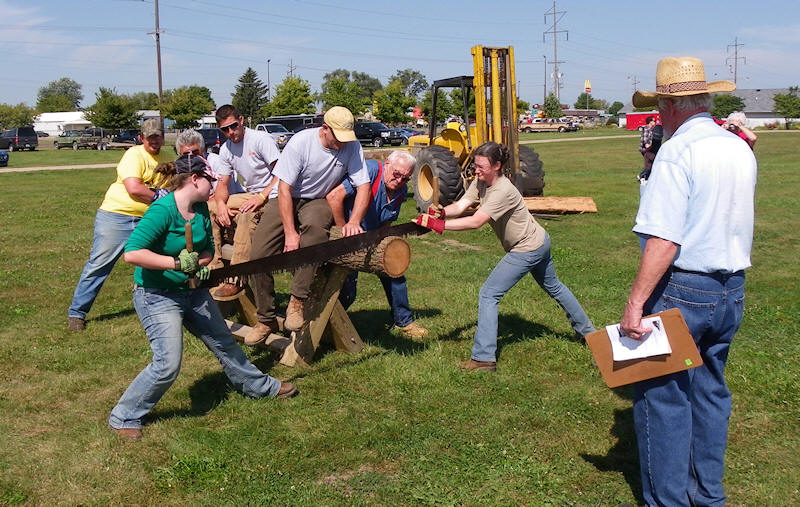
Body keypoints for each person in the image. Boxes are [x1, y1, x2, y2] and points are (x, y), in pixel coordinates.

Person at [620, 56, 757, 506]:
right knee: (710, 392)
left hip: (684, 288)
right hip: (730, 289)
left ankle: (669, 501)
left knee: (662, 398)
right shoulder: (738, 146)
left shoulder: (678, 151)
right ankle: (707, 496)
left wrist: (635, 305)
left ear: (667, 106)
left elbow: (664, 238)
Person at [108, 154, 296, 440]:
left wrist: (200, 263)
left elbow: (207, 250)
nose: (215, 186)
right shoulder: (162, 211)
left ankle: (259, 387)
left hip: (193, 292)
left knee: (225, 343)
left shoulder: (200, 210)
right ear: (194, 179)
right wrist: (177, 264)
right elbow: (132, 253)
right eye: (210, 180)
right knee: (167, 364)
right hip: (157, 295)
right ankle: (123, 416)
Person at [413, 142, 595, 372]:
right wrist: (442, 212)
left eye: (481, 166)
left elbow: (476, 221)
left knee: (489, 294)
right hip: (539, 240)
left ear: (497, 166)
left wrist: (439, 226)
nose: (476, 170)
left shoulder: (502, 190)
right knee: (555, 287)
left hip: (527, 247)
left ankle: (483, 358)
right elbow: (461, 205)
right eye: (475, 165)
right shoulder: (481, 181)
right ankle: (589, 334)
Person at [246, 106, 370, 345]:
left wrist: (354, 221)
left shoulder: (352, 146)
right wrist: (290, 233)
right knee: (258, 256)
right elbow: (284, 189)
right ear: (324, 129)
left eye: (346, 138)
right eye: (338, 137)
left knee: (315, 234)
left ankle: (297, 300)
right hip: (286, 197)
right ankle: (266, 319)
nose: (342, 143)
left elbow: (363, 186)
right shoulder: (301, 143)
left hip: (316, 199)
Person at [67, 119, 174, 332]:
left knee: (160, 261)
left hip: (148, 220)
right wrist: (159, 196)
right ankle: (77, 313)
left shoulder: (168, 158)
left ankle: (164, 305)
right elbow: (134, 188)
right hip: (117, 216)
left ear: (163, 137)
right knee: (99, 264)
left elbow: (174, 185)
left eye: (158, 136)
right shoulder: (134, 155)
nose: (154, 140)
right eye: (150, 137)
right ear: (141, 138)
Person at [326, 150, 429, 339]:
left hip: (368, 239)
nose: (399, 180)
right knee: (347, 293)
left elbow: (387, 222)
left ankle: (404, 321)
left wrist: (381, 244)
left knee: (394, 270)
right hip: (346, 239)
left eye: (405, 178)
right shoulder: (371, 170)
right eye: (397, 174)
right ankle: (326, 325)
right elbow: (334, 196)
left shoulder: (400, 191)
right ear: (387, 164)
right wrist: (342, 230)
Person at [210, 104, 281, 300]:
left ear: (241, 120)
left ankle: (237, 278)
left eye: (233, 126)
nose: (231, 132)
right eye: (225, 129)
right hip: (250, 194)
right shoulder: (225, 149)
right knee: (209, 207)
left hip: (273, 195)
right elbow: (222, 184)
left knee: (246, 215)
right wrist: (221, 206)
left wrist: (262, 196)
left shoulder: (260, 140)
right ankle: (214, 269)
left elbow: (282, 175)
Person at [638, 116, 658, 182]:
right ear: (650, 122)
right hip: (646, 150)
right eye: (654, 121)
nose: (655, 122)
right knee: (651, 163)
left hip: (649, 149)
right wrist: (648, 147)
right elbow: (645, 139)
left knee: (651, 164)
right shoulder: (647, 129)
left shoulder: (651, 129)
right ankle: (641, 175)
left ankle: (646, 178)